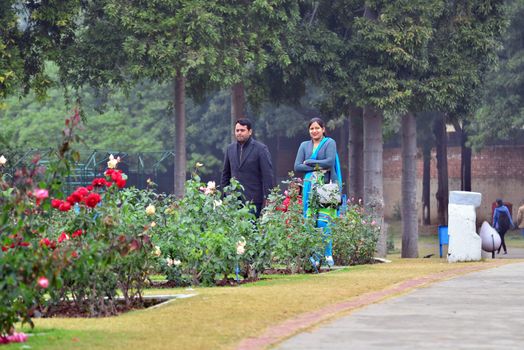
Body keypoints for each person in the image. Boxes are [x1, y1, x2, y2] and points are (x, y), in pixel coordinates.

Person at [294, 117, 342, 267]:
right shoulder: (304, 146)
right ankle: (314, 256)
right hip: (309, 187)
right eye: (311, 129)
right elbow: (297, 167)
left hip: (326, 186)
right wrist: (317, 166)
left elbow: (329, 162)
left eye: (317, 128)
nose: (314, 131)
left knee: (323, 221)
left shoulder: (329, 143)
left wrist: (308, 162)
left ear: (323, 129)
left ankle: (327, 254)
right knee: (310, 221)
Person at [221, 118, 275, 218]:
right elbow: (225, 174)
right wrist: (225, 196)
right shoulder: (230, 149)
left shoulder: (260, 149)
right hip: (233, 201)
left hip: (253, 201)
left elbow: (267, 176)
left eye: (242, 130)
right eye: (237, 130)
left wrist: (270, 199)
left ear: (250, 132)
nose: (239, 133)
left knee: (251, 231)